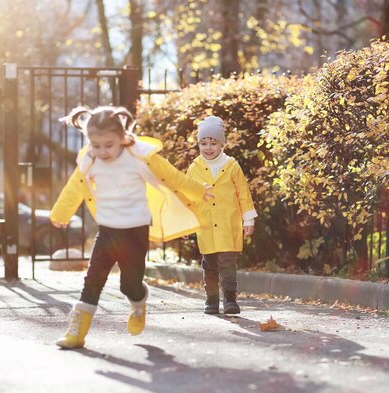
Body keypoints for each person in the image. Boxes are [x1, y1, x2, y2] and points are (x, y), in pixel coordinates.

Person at [50, 106, 213, 349]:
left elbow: (172, 176)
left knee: (129, 284)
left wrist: (198, 190)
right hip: (107, 230)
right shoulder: (89, 160)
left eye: (108, 144)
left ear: (122, 138)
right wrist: (61, 212)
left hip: (135, 230)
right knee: (93, 279)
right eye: (95, 145)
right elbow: (75, 186)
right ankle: (77, 333)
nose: (102, 151)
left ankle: (138, 302)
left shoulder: (139, 157)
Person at [186, 115, 257, 315]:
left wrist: (248, 219)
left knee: (228, 263)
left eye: (213, 143)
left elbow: (243, 193)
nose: (208, 148)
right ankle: (211, 300)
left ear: (222, 144)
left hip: (228, 224)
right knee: (209, 265)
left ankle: (230, 299)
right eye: (203, 143)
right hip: (206, 225)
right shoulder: (194, 168)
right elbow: (187, 196)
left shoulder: (232, 166)